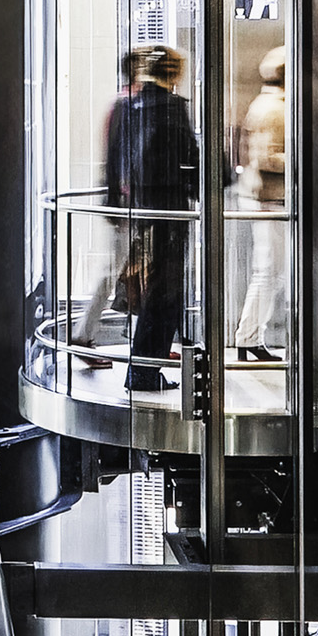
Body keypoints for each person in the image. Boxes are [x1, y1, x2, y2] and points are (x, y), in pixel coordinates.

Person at [117, 45, 200, 390]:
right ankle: (144, 372)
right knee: (166, 294)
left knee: (160, 291)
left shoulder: (135, 104)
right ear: (175, 73)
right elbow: (188, 154)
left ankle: (146, 368)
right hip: (169, 210)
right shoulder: (171, 106)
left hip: (144, 208)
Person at [74, 49, 145, 356]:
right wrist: (119, 199)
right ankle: (83, 334)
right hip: (128, 202)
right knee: (114, 268)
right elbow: (119, 156)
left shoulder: (125, 103)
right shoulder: (128, 104)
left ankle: (143, 338)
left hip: (127, 200)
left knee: (128, 269)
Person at [233, 49, 289, 362]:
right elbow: (268, 157)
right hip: (270, 199)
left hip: (266, 198)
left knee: (270, 272)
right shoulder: (274, 108)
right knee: (269, 273)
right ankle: (249, 337)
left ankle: (250, 337)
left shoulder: (267, 104)